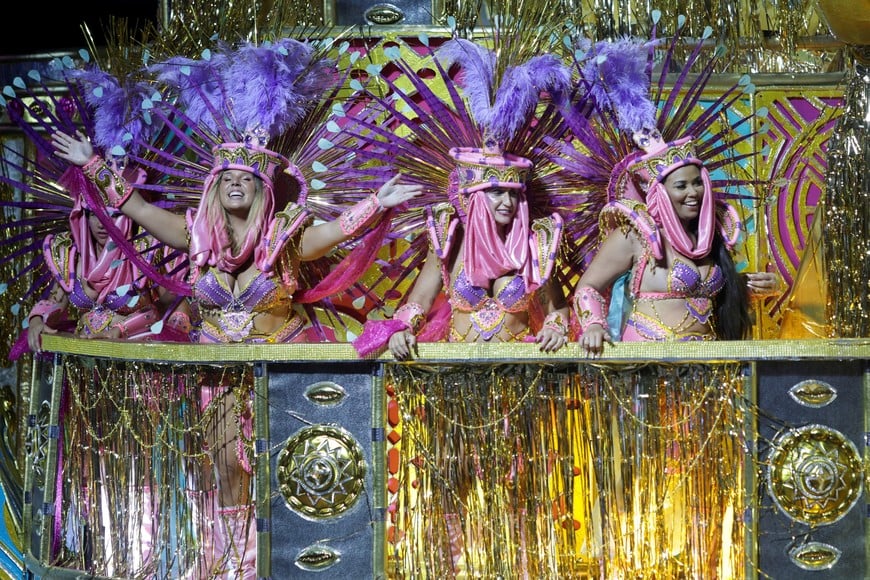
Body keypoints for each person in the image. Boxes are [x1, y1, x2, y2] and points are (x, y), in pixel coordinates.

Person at [52, 122, 421, 579]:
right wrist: (93, 164)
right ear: (214, 186)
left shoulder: (283, 239)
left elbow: (334, 232)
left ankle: (291, 566)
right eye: (226, 176)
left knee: (288, 472)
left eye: (246, 177)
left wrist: (375, 204)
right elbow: (138, 207)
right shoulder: (195, 238)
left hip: (282, 374)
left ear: (263, 188)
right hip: (218, 374)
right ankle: (233, 566)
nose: (235, 182)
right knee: (225, 473)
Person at [573, 131, 781, 356]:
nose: (693, 193)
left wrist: (749, 285)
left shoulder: (712, 235)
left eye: (698, 183)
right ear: (659, 192)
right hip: (648, 363)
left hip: (707, 363)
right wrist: (594, 325)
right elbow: (588, 287)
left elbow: (704, 294)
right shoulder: (635, 236)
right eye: (681, 186)